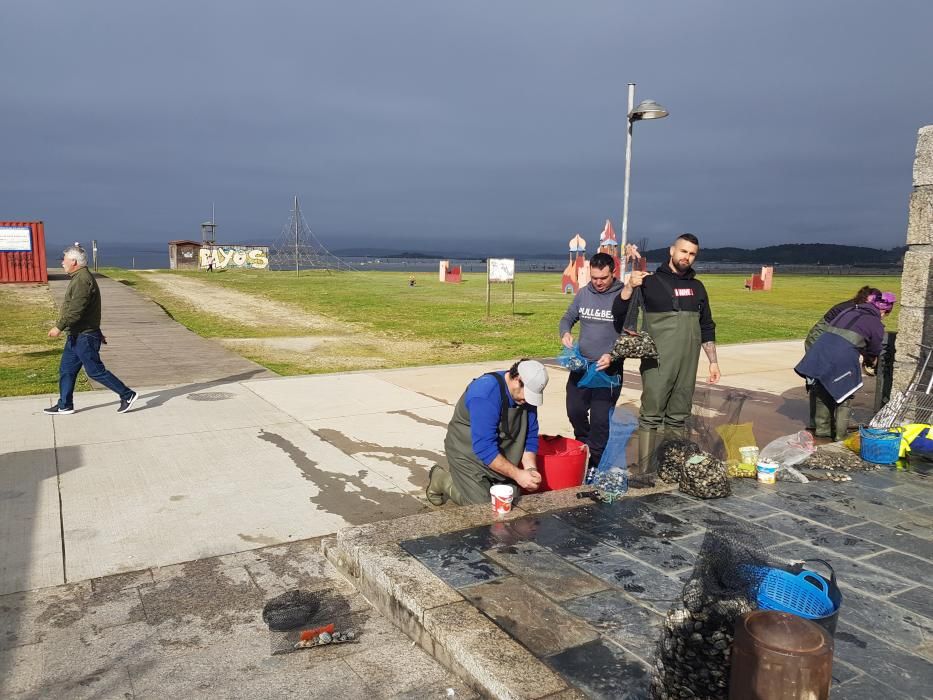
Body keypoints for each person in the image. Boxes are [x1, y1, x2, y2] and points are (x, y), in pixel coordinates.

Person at [612, 234, 719, 477]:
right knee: (651, 415)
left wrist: (713, 362)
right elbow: (618, 313)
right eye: (683, 251)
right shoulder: (650, 282)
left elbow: (707, 325)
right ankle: (646, 470)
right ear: (672, 250)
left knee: (679, 416)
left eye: (692, 254)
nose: (686, 257)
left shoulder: (698, 288)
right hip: (657, 362)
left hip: (688, 363)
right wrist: (629, 286)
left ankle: (671, 467)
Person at [426, 359, 548, 505]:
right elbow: (485, 449)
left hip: (500, 452)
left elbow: (530, 436)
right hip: (467, 453)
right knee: (482, 508)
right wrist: (517, 475)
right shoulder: (484, 393)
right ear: (517, 379)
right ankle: (443, 479)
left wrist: (530, 469)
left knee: (511, 502)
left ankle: (487, 484)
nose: (527, 400)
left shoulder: (525, 398)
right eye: (527, 394)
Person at [44, 244, 139, 415]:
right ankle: (65, 404)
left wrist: (58, 327)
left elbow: (76, 310)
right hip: (77, 335)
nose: (62, 263)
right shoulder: (79, 277)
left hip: (84, 337)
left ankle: (127, 394)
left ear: (73, 261)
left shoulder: (82, 280)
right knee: (67, 370)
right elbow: (89, 310)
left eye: (64, 260)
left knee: (95, 371)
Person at [795, 291, 895, 440]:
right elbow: (874, 349)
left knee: (822, 389)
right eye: (886, 314)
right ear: (884, 310)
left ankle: (822, 431)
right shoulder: (875, 323)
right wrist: (871, 361)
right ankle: (840, 436)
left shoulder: (849, 310)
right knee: (845, 395)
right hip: (842, 356)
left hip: (820, 350)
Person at [558, 252, 625, 471]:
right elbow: (567, 317)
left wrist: (613, 355)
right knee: (574, 411)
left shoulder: (623, 295)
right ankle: (584, 445)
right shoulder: (584, 293)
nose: (598, 283)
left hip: (607, 371)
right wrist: (565, 332)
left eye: (603, 278)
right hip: (581, 367)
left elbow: (631, 335)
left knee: (600, 421)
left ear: (612, 273)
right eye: (594, 278)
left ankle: (594, 462)